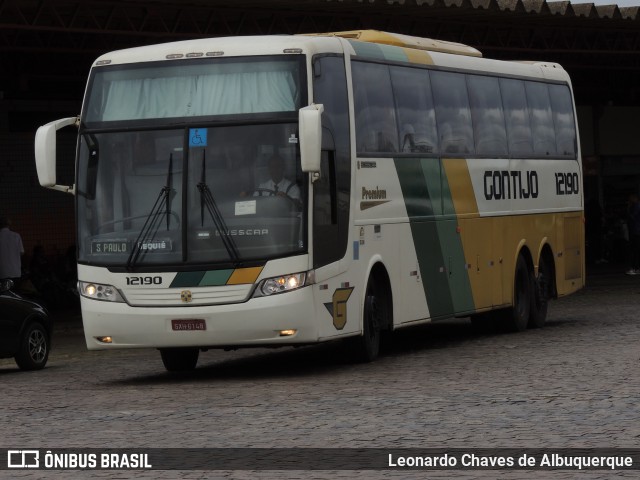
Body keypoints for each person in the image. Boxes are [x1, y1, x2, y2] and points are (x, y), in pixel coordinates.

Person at [0, 216, 24, 283]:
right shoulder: (16, 236)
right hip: (15, 272)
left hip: (2, 273)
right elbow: (21, 252)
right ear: (9, 224)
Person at [626, 193, 640, 275]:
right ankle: (636, 268)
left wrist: (628, 209)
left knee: (635, 250)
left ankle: (635, 268)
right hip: (637, 231)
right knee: (636, 250)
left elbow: (632, 217)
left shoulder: (635, 206)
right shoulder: (637, 206)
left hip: (636, 231)